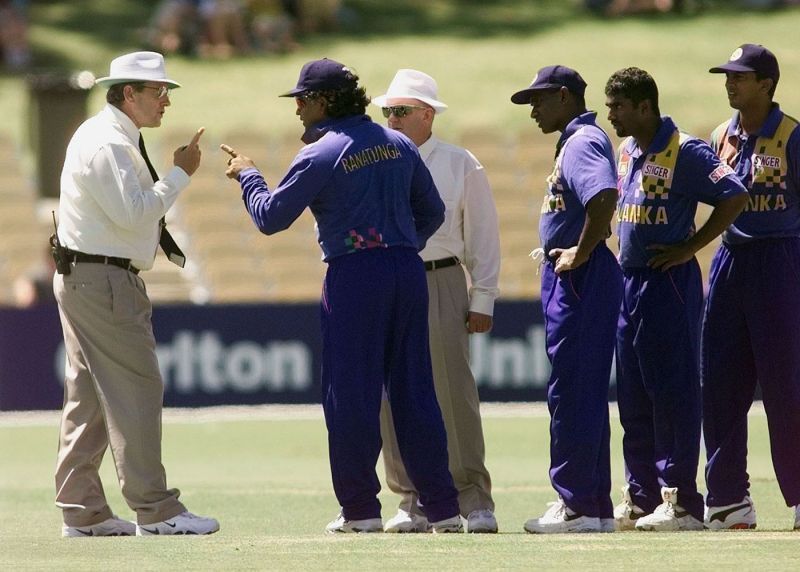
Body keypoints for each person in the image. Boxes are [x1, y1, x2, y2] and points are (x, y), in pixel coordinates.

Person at [220, 58, 462, 534]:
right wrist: (399, 242)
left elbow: (270, 217)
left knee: (350, 395)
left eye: (304, 100)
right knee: (415, 391)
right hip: (407, 271)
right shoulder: (397, 143)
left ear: (325, 101)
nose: (298, 110)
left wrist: (247, 174)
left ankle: (360, 512)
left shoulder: (322, 154)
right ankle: (444, 510)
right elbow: (432, 211)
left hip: (355, 275)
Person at [54, 51, 219, 537]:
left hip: (92, 276)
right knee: (137, 390)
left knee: (88, 397)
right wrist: (181, 174)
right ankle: (157, 509)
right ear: (129, 94)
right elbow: (134, 213)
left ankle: (83, 512)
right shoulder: (108, 143)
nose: (165, 100)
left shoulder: (108, 137)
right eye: (157, 91)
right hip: (103, 279)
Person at [604, 67, 748, 532]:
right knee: (633, 395)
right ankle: (643, 495)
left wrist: (692, 245)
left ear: (645, 106)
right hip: (630, 282)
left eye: (619, 107)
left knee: (673, 392)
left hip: (667, 281)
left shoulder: (684, 149)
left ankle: (682, 501)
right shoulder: (627, 150)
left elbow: (734, 193)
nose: (612, 116)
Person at [371, 69, 500, 534]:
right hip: (388, 279)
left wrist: (483, 295)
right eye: (387, 111)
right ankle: (412, 498)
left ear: (427, 115)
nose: (392, 118)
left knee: (451, 392)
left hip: (439, 277)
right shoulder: (375, 159)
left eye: (401, 111)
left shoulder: (458, 161)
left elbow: (482, 233)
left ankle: (473, 497)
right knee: (391, 395)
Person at [510, 65, 622, 534]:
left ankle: (576, 503)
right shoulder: (576, 141)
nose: (533, 110)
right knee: (583, 392)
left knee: (571, 391)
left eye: (539, 99)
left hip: (579, 276)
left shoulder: (581, 142)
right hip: (580, 274)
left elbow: (603, 197)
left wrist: (581, 249)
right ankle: (592, 504)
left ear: (564, 96)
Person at [702, 44, 800, 531]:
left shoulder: (792, 136)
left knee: (787, 384)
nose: (730, 83)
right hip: (730, 260)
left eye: (740, 76)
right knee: (719, 382)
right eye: (728, 75)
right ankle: (727, 497)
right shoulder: (720, 135)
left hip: (781, 259)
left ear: (766, 83)